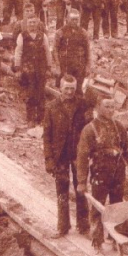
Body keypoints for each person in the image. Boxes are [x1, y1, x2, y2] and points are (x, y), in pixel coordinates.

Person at [76, 98, 128, 256]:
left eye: (113, 106)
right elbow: (82, 156)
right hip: (100, 174)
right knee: (98, 209)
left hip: (118, 173)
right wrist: (82, 181)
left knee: (117, 207)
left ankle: (116, 241)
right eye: (107, 106)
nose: (110, 110)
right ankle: (97, 244)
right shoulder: (89, 129)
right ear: (98, 107)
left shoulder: (118, 127)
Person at [43, 74, 92, 238]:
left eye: (72, 88)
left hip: (78, 154)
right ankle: (63, 227)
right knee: (61, 191)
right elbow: (47, 135)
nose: (70, 92)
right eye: (66, 88)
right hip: (60, 155)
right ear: (60, 88)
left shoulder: (83, 105)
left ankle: (84, 227)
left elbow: (89, 129)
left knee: (81, 189)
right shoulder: (51, 107)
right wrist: (49, 159)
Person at [14, 16, 53, 126]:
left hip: (41, 68)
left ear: (37, 23)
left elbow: (47, 52)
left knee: (41, 93)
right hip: (28, 68)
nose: (32, 25)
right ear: (27, 24)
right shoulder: (22, 36)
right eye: (30, 22)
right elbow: (18, 52)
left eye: (34, 22)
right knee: (30, 93)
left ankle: (40, 118)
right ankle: (30, 118)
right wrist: (17, 68)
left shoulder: (42, 35)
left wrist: (49, 67)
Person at [53, 10, 91, 95]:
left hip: (79, 65)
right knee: (63, 88)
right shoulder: (60, 32)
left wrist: (88, 66)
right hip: (65, 66)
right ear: (67, 19)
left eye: (76, 19)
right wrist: (57, 66)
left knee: (78, 89)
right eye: (72, 19)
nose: (75, 22)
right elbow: (55, 49)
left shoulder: (83, 32)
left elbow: (88, 50)